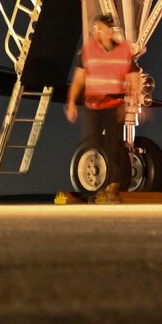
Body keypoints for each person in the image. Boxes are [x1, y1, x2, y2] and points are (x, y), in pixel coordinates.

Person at [66, 16, 135, 192]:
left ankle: (114, 184)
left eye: (100, 29)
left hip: (114, 105)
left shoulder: (124, 51)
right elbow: (78, 79)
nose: (96, 32)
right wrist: (71, 102)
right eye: (94, 29)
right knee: (92, 142)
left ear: (110, 32)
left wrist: (128, 103)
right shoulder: (88, 50)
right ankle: (97, 184)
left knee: (113, 145)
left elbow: (133, 78)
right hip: (93, 105)